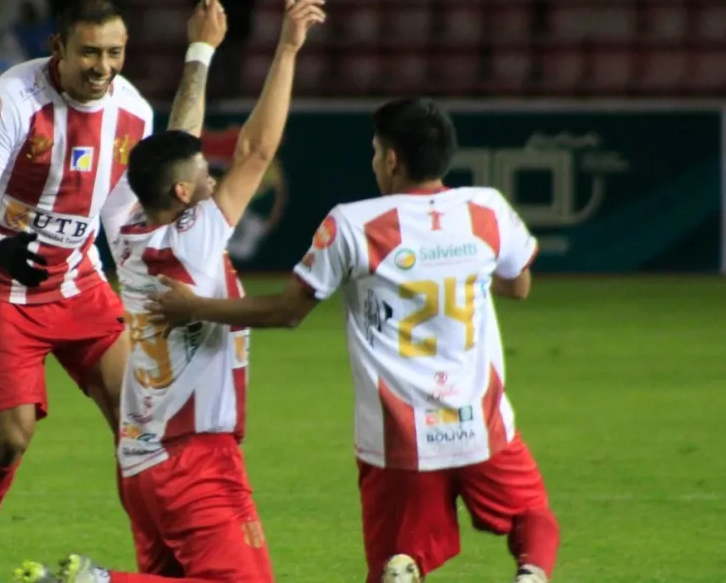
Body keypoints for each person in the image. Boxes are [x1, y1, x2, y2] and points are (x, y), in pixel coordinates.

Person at [146, 98, 561, 583]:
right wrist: (460, 264)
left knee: (400, 556)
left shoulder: (352, 223)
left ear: (390, 160)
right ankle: (531, 574)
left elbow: (286, 311)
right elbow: (519, 285)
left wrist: (194, 307)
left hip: (397, 441)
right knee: (530, 513)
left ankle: (403, 568)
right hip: (480, 426)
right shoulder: (486, 209)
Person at [9, 0, 325, 583]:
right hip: (197, 459)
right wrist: (286, 49)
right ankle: (89, 582)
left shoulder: (123, 222)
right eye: (206, 175)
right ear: (183, 195)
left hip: (140, 460)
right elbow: (258, 148)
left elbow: (175, 142)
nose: (214, 179)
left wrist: (200, 54)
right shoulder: (197, 237)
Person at [0, 0, 226, 583]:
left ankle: (165, 567)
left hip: (78, 282)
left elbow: (139, 199)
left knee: (143, 426)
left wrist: (199, 55)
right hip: (0, 283)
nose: (102, 68)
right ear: (59, 49)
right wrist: (2, 246)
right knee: (7, 441)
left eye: (114, 54)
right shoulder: (13, 97)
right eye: (90, 53)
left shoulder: (133, 112)